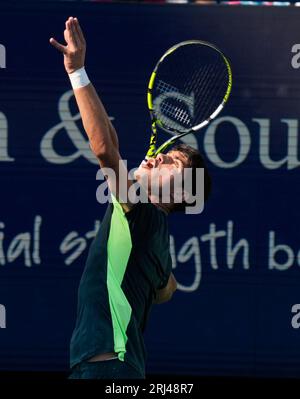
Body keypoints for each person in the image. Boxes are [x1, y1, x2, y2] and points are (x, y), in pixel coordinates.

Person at [50, 16, 211, 379]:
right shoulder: (157, 238)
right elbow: (168, 289)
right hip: (121, 370)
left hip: (106, 369)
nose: (157, 156)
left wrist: (77, 72)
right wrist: (159, 280)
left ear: (181, 193)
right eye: (164, 153)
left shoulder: (142, 213)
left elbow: (106, 151)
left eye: (171, 161)